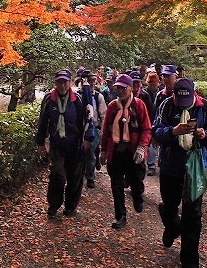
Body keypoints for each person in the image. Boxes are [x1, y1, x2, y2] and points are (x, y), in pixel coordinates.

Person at [152, 77, 207, 268]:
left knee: (193, 217)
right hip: (170, 167)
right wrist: (173, 131)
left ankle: (190, 261)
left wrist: (205, 135)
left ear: (194, 95)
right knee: (169, 207)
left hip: (194, 170)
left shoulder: (205, 108)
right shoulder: (166, 105)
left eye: (187, 102)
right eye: (179, 101)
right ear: (174, 95)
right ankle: (172, 227)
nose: (183, 106)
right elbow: (155, 130)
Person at [35, 68, 95, 219]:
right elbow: (43, 121)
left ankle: (71, 207)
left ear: (69, 82)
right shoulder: (50, 98)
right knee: (57, 175)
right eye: (59, 82)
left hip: (75, 144)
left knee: (75, 177)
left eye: (65, 82)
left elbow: (87, 119)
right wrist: (40, 142)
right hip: (57, 144)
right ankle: (53, 206)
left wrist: (87, 138)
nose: (62, 86)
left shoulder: (78, 99)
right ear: (55, 83)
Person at [100, 73, 152, 229]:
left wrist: (142, 147)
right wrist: (103, 151)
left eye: (124, 88)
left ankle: (138, 197)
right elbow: (106, 131)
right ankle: (120, 216)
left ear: (130, 88)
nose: (120, 91)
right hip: (116, 151)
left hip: (134, 151)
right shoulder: (112, 107)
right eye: (118, 88)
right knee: (116, 185)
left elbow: (147, 129)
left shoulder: (139, 105)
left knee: (136, 181)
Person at [79, 70, 107, 188]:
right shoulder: (78, 95)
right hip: (80, 128)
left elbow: (103, 114)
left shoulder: (98, 96)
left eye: (93, 81)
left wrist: (103, 131)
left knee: (90, 152)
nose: (91, 84)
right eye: (88, 81)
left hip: (94, 128)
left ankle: (90, 176)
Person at [144, 71, 162, 175]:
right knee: (150, 143)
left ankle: (160, 162)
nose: (152, 86)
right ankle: (151, 165)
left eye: (154, 84)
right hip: (149, 120)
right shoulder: (145, 94)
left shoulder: (161, 94)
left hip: (160, 120)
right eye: (150, 84)